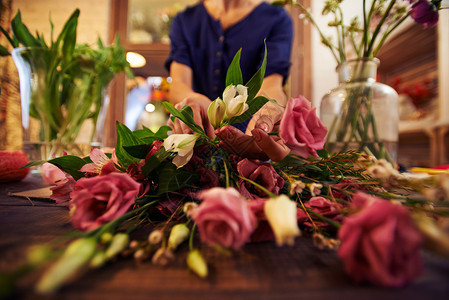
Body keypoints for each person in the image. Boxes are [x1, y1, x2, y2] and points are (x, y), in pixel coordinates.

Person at [165, 0, 293, 161]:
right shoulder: (185, 20)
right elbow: (178, 85)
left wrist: (266, 114)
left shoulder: (276, 19)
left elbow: (272, 84)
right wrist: (194, 102)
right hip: (196, 138)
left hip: (249, 138)